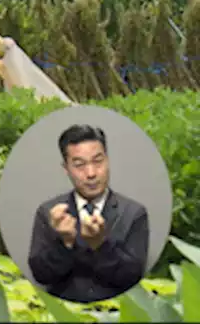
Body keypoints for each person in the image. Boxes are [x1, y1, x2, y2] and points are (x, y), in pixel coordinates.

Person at [26, 124, 150, 303]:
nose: (91, 173)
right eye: (79, 165)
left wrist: (100, 245)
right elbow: (41, 275)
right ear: (66, 168)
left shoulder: (134, 213)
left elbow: (132, 277)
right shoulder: (48, 213)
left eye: (98, 161)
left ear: (107, 160)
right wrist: (65, 243)